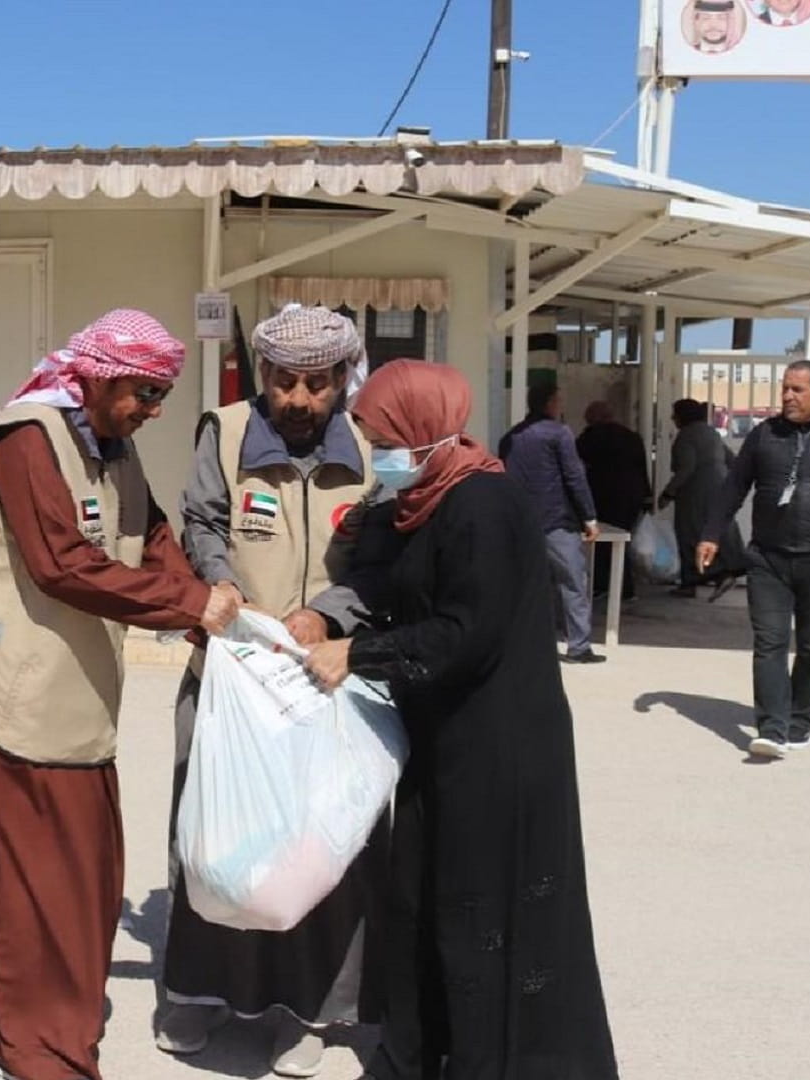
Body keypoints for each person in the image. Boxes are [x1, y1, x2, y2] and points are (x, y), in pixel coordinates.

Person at [0, 309, 239, 1080]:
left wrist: (203, 601)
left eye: (161, 396)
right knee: (40, 881)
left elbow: (151, 533)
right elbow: (60, 563)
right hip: (6, 695)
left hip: (65, 691)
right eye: (141, 392)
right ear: (94, 375)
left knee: (60, 869)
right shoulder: (27, 440)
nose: (150, 411)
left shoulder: (110, 444)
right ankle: (43, 1044)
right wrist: (188, 608)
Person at [304, 360, 620, 1080]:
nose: (374, 450)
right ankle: (418, 1051)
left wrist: (359, 652)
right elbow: (394, 580)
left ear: (422, 431)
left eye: (381, 435)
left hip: (498, 748)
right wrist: (325, 617)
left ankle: (488, 1060)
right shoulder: (426, 498)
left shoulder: (484, 503)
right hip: (445, 738)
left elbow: (465, 632)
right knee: (422, 900)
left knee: (481, 914)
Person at [158, 305, 383, 1075]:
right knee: (213, 838)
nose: (297, 399)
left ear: (341, 381)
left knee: (318, 849)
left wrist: (328, 613)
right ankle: (196, 995)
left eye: (315, 385)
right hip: (229, 677)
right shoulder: (222, 431)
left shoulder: (370, 445)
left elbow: (384, 557)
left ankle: (308, 1012)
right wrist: (222, 588)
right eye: (283, 382)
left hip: (325, 683)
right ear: (263, 376)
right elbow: (202, 522)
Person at [697, 361, 810, 760]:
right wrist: (712, 532)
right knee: (770, 642)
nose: (787, 397)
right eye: (785, 389)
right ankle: (772, 727)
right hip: (768, 558)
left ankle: (801, 718)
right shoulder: (765, 435)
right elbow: (734, 487)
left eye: (797, 390)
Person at [499, 386, 605, 664]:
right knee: (572, 582)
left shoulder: (510, 438)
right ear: (549, 403)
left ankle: (525, 642)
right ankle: (579, 646)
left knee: (527, 584)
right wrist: (589, 518)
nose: (561, 405)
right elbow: (574, 476)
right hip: (556, 522)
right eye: (558, 400)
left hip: (521, 522)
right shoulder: (559, 433)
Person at [660, 399, 745, 600]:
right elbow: (732, 460)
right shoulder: (711, 433)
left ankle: (695, 581)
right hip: (718, 489)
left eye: (675, 414)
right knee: (715, 532)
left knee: (689, 534)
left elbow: (686, 468)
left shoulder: (686, 436)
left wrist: (668, 493)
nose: (672, 419)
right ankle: (724, 572)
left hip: (695, 493)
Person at [575, 401, 651, 602]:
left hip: (604, 496)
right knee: (622, 542)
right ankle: (625, 589)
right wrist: (647, 496)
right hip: (631, 496)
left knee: (601, 542)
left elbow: (575, 462)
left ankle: (603, 586)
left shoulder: (590, 437)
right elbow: (642, 468)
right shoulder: (632, 437)